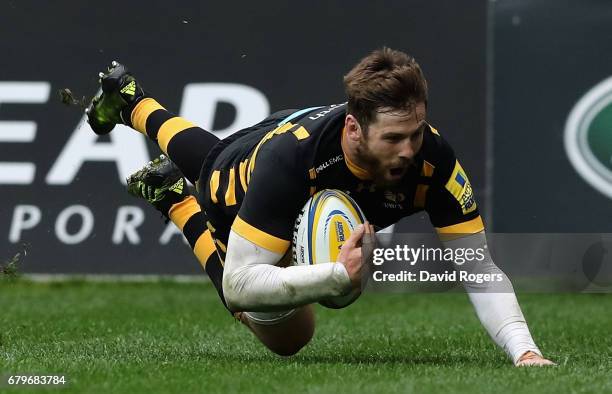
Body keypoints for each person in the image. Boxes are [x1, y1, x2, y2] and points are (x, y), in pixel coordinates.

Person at [86, 48, 554, 366]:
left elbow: (478, 266)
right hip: (244, 180)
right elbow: (240, 286)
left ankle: (130, 100)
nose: (409, 150)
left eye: (415, 132)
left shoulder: (432, 159)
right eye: (393, 138)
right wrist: (336, 275)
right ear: (354, 130)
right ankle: (175, 201)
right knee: (291, 338)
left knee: (206, 154)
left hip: (297, 137)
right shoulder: (291, 163)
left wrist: (525, 352)